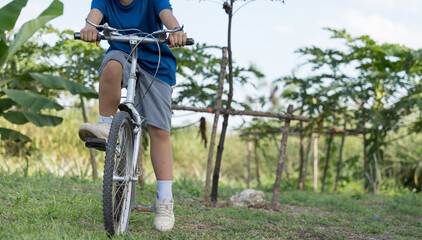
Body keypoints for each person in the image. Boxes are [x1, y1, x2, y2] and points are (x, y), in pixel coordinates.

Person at [77, 0, 187, 232]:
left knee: (159, 130)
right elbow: (94, 16)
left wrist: (176, 31)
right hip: (122, 52)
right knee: (111, 64)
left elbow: (166, 14)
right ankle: (106, 125)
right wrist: (89, 27)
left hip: (156, 59)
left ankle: (165, 201)